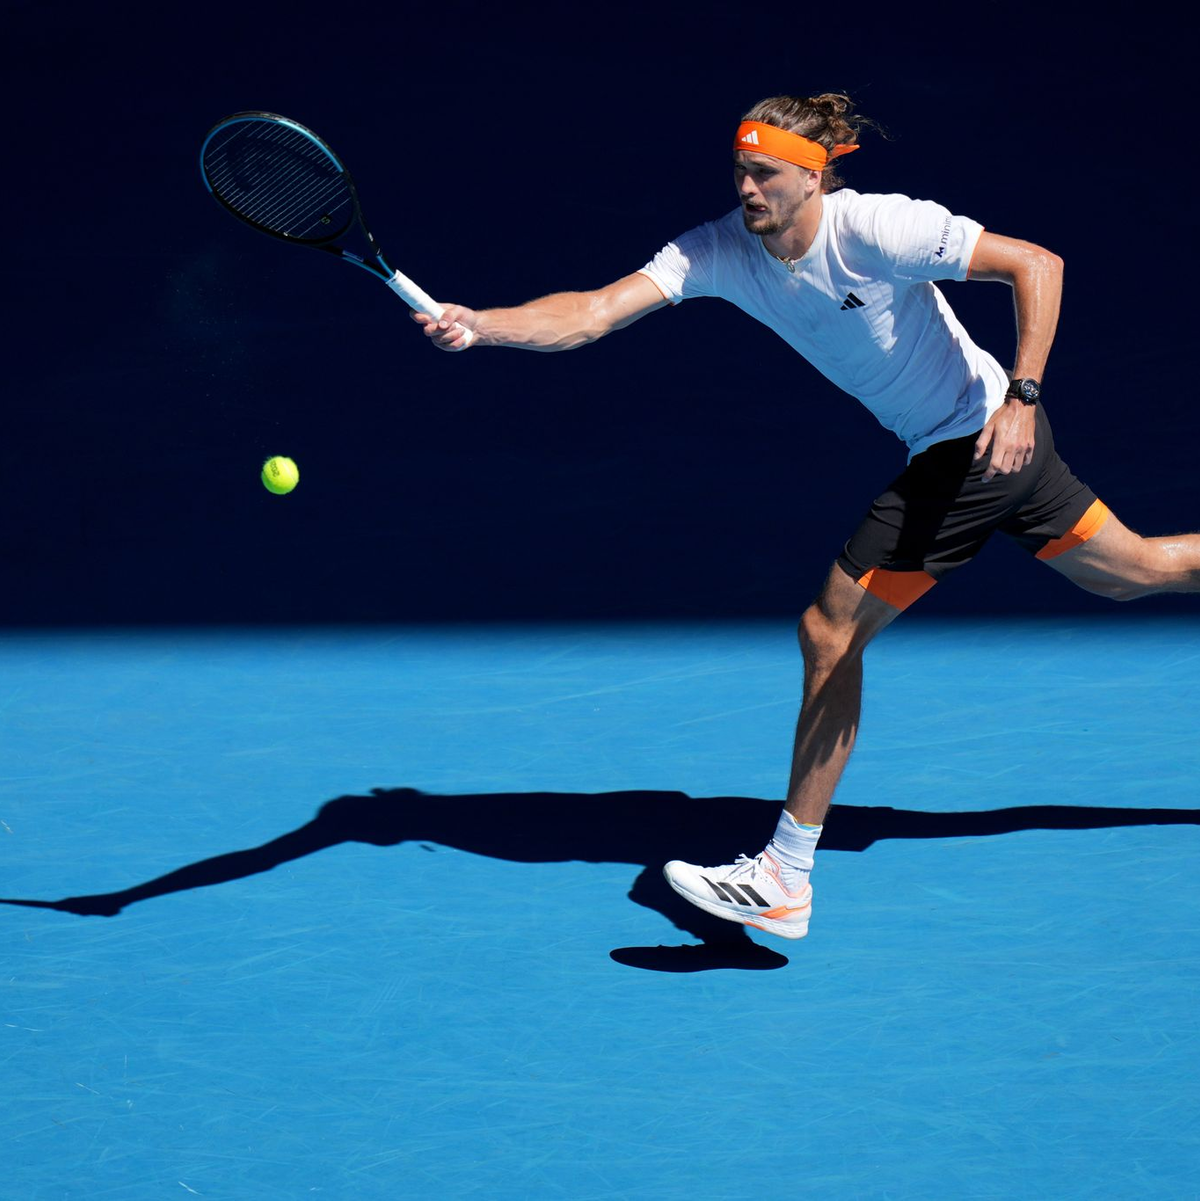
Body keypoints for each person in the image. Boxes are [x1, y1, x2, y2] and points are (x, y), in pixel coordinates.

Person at [414, 93, 1200, 941]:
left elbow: (1037, 263)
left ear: (814, 176)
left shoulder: (878, 228)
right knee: (1136, 573)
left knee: (831, 630)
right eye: (740, 171)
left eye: (765, 174)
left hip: (973, 443)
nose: (746, 189)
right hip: (978, 449)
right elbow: (596, 311)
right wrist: (484, 324)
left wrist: (1023, 397)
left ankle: (785, 873)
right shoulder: (720, 249)